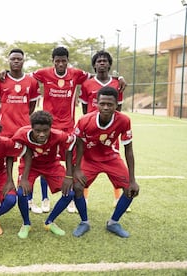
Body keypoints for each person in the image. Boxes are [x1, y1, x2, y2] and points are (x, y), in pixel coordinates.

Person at [32, 46, 127, 213]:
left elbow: (97, 75)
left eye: (63, 61)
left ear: (68, 61)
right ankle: (45, 199)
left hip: (69, 126)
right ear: (53, 61)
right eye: (57, 61)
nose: (60, 64)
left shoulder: (76, 74)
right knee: (44, 160)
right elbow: (23, 77)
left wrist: (118, 77)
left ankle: (71, 198)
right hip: (48, 128)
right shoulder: (44, 73)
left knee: (73, 161)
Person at [72, 86, 139, 238]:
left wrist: (133, 179)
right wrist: (76, 169)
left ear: (116, 105)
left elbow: (129, 150)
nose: (106, 107)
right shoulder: (84, 120)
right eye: (102, 103)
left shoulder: (124, 120)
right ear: (96, 103)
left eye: (110, 104)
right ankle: (84, 222)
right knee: (76, 187)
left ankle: (113, 223)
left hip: (111, 158)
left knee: (131, 189)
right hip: (89, 159)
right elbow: (77, 146)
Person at [0, 48, 41, 213]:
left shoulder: (32, 82)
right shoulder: (0, 80)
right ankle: (3, 197)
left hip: (25, 129)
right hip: (6, 128)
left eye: (19, 59)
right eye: (13, 59)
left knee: (28, 162)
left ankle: (29, 199)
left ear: (23, 61)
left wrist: (25, 118)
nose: (16, 61)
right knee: (6, 162)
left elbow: (32, 105)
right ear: (9, 61)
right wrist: (4, 118)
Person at [12, 111, 75, 238]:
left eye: (45, 130)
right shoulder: (21, 134)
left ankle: (50, 222)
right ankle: (26, 223)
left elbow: (70, 147)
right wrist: (23, 178)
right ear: (32, 128)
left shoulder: (59, 135)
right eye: (38, 131)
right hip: (30, 167)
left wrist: (69, 175)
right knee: (21, 193)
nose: (42, 134)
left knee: (70, 192)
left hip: (51, 165)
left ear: (50, 128)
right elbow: (15, 150)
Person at [79, 50, 126, 210]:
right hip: (92, 130)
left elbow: (118, 108)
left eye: (105, 61)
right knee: (87, 164)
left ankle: (118, 197)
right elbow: (85, 108)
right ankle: (83, 197)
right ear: (94, 65)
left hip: (111, 130)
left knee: (115, 163)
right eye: (98, 61)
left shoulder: (117, 83)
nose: (102, 63)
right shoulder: (87, 84)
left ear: (109, 64)